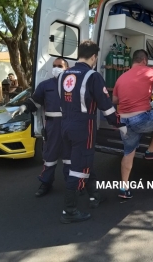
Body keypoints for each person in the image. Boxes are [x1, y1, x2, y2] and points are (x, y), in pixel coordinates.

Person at [58, 40, 126, 224]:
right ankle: (69, 210)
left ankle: (94, 195)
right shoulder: (92, 76)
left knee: (77, 161)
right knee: (80, 168)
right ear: (94, 57)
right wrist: (120, 124)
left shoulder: (63, 75)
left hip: (64, 125)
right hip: (82, 127)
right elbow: (106, 106)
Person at [112, 49, 153, 198]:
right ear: (144, 61)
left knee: (128, 152)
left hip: (123, 121)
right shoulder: (148, 71)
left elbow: (115, 101)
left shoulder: (121, 78)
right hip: (140, 118)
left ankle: (124, 189)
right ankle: (150, 151)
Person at [12, 58, 69, 197]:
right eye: (54, 66)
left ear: (66, 68)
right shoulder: (45, 85)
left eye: (59, 66)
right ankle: (46, 182)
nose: (56, 68)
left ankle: (72, 184)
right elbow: (35, 101)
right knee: (49, 156)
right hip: (53, 125)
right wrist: (24, 106)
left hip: (69, 123)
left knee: (71, 156)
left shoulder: (72, 85)